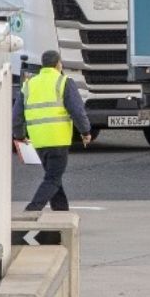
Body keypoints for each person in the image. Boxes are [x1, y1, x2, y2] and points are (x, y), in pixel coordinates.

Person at [13, 50, 92, 211]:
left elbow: (16, 115)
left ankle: (61, 211)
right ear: (58, 64)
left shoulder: (28, 85)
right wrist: (85, 132)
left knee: (54, 176)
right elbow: (77, 111)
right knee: (53, 178)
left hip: (39, 140)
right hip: (58, 139)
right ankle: (32, 209)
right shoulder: (63, 82)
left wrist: (19, 135)